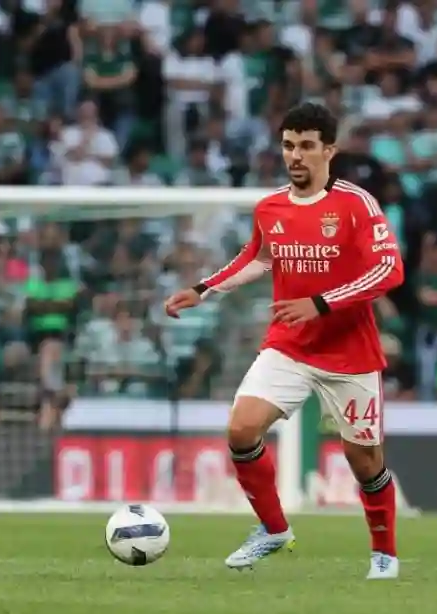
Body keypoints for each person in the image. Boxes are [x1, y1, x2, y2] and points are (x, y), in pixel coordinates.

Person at [163, 103, 406, 578]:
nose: (295, 155)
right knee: (241, 430)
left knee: (364, 462)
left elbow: (388, 270)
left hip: (349, 353)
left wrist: (321, 303)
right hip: (290, 345)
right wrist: (203, 289)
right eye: (289, 145)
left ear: (329, 150)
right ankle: (273, 529)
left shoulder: (356, 204)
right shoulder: (270, 207)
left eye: (307, 146)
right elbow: (257, 257)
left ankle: (384, 553)